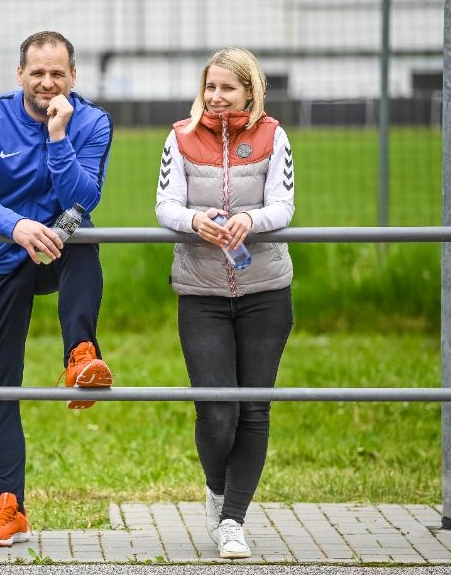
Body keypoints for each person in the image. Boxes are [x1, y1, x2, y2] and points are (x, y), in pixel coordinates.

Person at [0, 31, 114, 547]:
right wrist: (17, 226)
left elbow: (84, 198)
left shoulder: (92, 121)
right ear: (19, 73)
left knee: (84, 236)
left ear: (73, 77)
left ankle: (81, 355)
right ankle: (11, 508)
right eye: (38, 72)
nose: (47, 82)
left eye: (57, 74)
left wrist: (58, 137)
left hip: (56, 248)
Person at [154, 47, 295, 560]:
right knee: (217, 411)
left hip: (266, 293)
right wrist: (194, 220)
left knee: (253, 409)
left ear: (250, 92)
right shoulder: (180, 136)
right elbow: (165, 204)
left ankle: (233, 520)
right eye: (210, 87)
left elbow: (283, 205)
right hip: (201, 293)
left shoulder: (274, 136)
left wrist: (250, 221)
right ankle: (216, 493)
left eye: (227, 88)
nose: (216, 97)